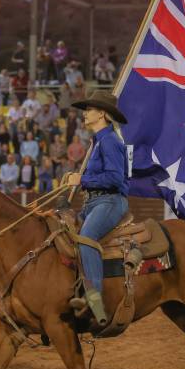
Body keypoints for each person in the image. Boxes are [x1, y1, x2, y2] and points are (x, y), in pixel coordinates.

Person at [65, 91, 130, 328]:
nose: (85, 113)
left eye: (90, 109)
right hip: (94, 202)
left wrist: (81, 181)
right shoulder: (98, 141)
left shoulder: (110, 141)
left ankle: (95, 300)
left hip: (110, 201)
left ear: (102, 113)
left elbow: (114, 178)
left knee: (85, 239)